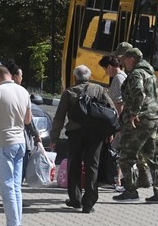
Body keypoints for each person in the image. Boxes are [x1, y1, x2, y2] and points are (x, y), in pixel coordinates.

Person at [49, 65, 116, 214]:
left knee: (74, 165)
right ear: (89, 76)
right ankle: (89, 203)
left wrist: (54, 138)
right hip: (96, 133)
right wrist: (109, 132)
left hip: (75, 133)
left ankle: (75, 199)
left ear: (75, 77)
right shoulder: (98, 89)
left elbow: (59, 117)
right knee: (93, 165)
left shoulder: (69, 92)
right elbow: (111, 109)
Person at [0, 65, 37, 226]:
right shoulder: (23, 91)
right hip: (20, 142)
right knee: (15, 186)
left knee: (6, 185)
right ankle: (17, 224)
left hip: (3, 142)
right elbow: (28, 119)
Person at [113, 45, 158, 203]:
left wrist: (133, 113)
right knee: (155, 157)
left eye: (124, 60)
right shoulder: (150, 72)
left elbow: (139, 93)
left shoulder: (137, 73)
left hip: (139, 121)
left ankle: (130, 191)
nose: (123, 64)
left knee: (126, 157)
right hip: (153, 119)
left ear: (131, 59)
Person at [99, 53, 127, 187]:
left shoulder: (117, 79)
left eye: (105, 69)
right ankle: (119, 179)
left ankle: (118, 179)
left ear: (110, 66)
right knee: (120, 151)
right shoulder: (124, 76)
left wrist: (114, 126)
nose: (105, 72)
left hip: (120, 122)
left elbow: (119, 104)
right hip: (124, 121)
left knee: (116, 151)